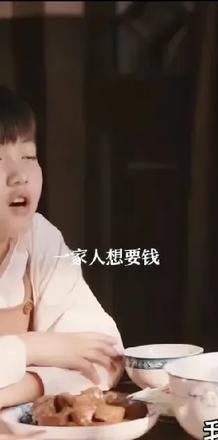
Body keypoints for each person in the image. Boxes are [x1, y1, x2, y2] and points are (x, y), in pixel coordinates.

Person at [0, 87, 123, 408]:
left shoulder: (39, 236)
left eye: (29, 157)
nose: (19, 176)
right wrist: (33, 347)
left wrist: (26, 386)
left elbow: (105, 356)